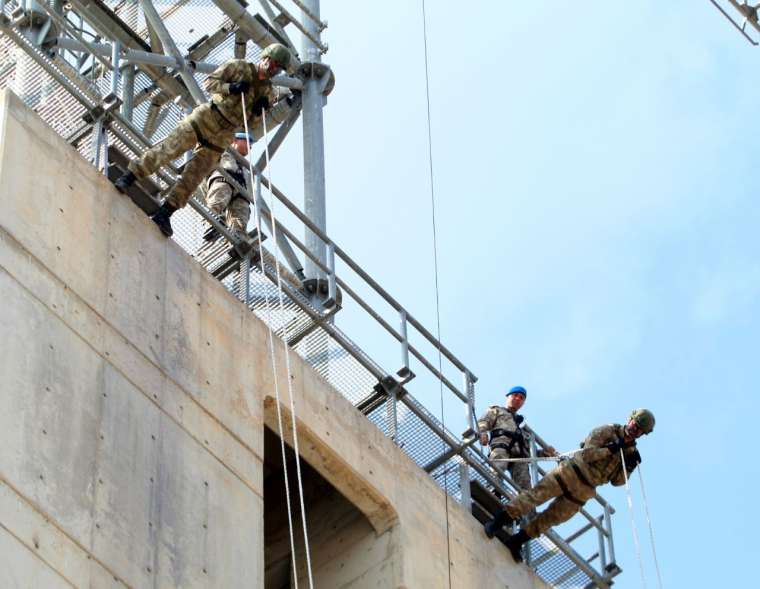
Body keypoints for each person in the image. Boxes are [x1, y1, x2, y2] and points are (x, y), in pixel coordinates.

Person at [114, 43, 292, 237]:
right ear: (265, 58)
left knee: (194, 176)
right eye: (272, 63)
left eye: (277, 67)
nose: (273, 69)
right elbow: (210, 83)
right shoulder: (239, 67)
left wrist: (259, 111)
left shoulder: (267, 93)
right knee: (169, 150)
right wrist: (230, 88)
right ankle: (130, 176)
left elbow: (252, 125)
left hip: (224, 134)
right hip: (207, 118)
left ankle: (166, 212)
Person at [484, 409, 656, 563]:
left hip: (585, 490)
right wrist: (612, 448)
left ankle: (517, 541)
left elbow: (616, 482)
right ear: (630, 419)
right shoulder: (608, 431)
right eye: (635, 423)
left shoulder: (630, 453)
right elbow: (588, 454)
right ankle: (498, 522)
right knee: (535, 497)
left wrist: (630, 467)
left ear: (643, 434)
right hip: (570, 472)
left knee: (551, 519)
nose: (635, 429)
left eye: (640, 429)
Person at [477, 386, 556, 491]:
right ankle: (493, 493)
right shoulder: (497, 411)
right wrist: (483, 433)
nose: (518, 399)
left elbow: (530, 452)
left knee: (525, 485)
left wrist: (545, 453)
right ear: (508, 397)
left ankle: (525, 506)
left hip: (519, 457)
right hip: (501, 448)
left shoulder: (522, 429)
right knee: (497, 470)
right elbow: (484, 421)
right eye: (515, 395)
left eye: (521, 398)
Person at [202, 132, 253, 241]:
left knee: (240, 222)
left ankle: (239, 240)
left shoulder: (246, 166)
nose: (250, 147)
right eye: (247, 142)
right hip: (225, 180)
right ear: (234, 141)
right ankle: (211, 225)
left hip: (242, 193)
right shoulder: (224, 150)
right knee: (216, 204)